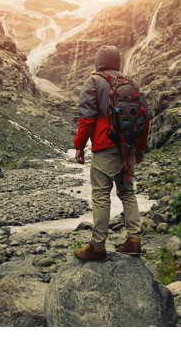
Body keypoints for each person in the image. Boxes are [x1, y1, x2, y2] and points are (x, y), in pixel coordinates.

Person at [73, 45, 151, 262]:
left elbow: (87, 119)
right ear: (117, 61)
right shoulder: (132, 83)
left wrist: (79, 146)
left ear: (99, 61)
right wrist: (140, 148)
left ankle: (97, 246)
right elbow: (145, 118)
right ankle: (134, 240)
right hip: (127, 148)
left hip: (104, 147)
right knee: (127, 192)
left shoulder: (94, 81)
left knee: (100, 194)